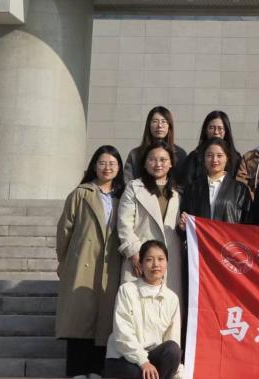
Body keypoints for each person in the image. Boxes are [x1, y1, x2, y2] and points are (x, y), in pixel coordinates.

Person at [55, 146, 126, 379]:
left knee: (104, 320)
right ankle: (77, 370)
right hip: (82, 262)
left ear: (119, 168)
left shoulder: (123, 196)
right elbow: (64, 229)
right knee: (79, 318)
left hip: (110, 264)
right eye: (102, 163)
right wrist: (64, 261)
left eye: (112, 163)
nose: (107, 168)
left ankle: (96, 369)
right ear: (94, 165)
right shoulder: (81, 193)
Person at [116, 144, 183, 314]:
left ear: (171, 163)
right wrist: (134, 253)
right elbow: (124, 223)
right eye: (152, 159)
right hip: (140, 258)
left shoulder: (177, 192)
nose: (158, 164)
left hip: (169, 259)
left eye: (163, 160)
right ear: (145, 163)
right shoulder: (134, 187)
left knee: (165, 311)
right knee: (136, 310)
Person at [104, 240, 182, 379]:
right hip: (123, 357)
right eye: (149, 260)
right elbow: (123, 334)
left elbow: (172, 340)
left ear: (167, 263)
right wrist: (143, 362)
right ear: (140, 264)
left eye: (161, 259)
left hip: (153, 358)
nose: (156, 264)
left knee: (173, 349)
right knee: (140, 375)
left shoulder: (172, 298)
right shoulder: (127, 290)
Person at [179, 137, 251, 224]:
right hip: (201, 233)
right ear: (204, 158)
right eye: (209, 155)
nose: (214, 160)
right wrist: (183, 226)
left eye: (219, 155)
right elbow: (184, 218)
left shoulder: (240, 190)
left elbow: (248, 223)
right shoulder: (192, 189)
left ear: (227, 158)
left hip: (228, 233)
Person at [124, 107, 187, 184]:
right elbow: (127, 182)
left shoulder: (180, 153)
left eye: (164, 121)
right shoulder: (135, 154)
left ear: (169, 126)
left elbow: (184, 184)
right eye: (155, 121)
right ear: (149, 125)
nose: (159, 125)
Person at [181, 111, 242, 189]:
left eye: (220, 128)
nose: (216, 132)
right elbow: (186, 185)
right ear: (205, 130)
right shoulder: (194, 157)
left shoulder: (235, 158)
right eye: (212, 128)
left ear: (226, 131)